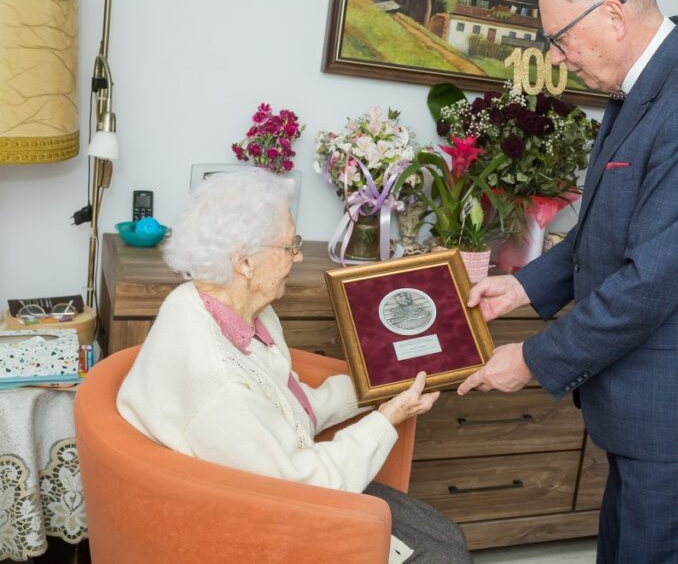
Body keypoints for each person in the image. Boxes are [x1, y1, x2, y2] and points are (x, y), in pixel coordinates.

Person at [456, 0, 678, 563]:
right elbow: (605, 231)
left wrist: (533, 360)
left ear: (612, 14)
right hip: (645, 394)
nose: (557, 57)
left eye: (559, 38)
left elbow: (649, 281)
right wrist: (522, 286)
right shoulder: (644, 84)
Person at [117, 169, 469, 564]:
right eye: (289, 246)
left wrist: (381, 379)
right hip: (248, 521)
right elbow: (307, 485)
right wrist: (389, 417)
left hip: (274, 477)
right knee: (444, 554)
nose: (298, 256)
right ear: (245, 262)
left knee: (445, 536)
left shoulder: (219, 305)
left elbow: (294, 408)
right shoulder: (220, 383)